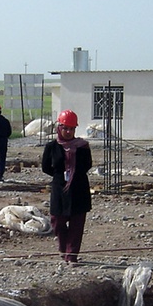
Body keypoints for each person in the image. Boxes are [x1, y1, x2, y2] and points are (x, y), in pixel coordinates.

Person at [42, 109, 92, 265]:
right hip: (59, 189)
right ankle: (63, 249)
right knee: (57, 221)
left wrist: (73, 175)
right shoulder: (51, 147)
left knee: (77, 224)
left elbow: (87, 166)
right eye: (65, 128)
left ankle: (71, 255)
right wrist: (61, 176)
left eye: (71, 128)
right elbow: (46, 167)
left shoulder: (83, 146)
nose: (68, 131)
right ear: (59, 127)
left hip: (79, 189)